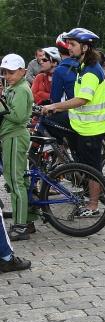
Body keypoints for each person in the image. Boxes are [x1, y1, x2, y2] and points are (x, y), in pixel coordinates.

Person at [41, 28, 105, 217]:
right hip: (80, 122)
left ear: (85, 47)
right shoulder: (82, 66)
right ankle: (69, 158)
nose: (69, 48)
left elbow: (82, 99)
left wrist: (56, 105)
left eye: (73, 45)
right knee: (49, 121)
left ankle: (93, 206)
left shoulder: (90, 71)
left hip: (91, 127)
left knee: (92, 168)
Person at [1, 54, 36, 241]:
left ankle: (20, 225)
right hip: (10, 137)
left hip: (14, 136)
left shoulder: (21, 89)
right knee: (19, 180)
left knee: (16, 181)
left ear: (22, 71)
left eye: (12, 72)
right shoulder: (14, 87)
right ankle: (27, 219)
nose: (7, 75)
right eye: (5, 72)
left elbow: (18, 116)